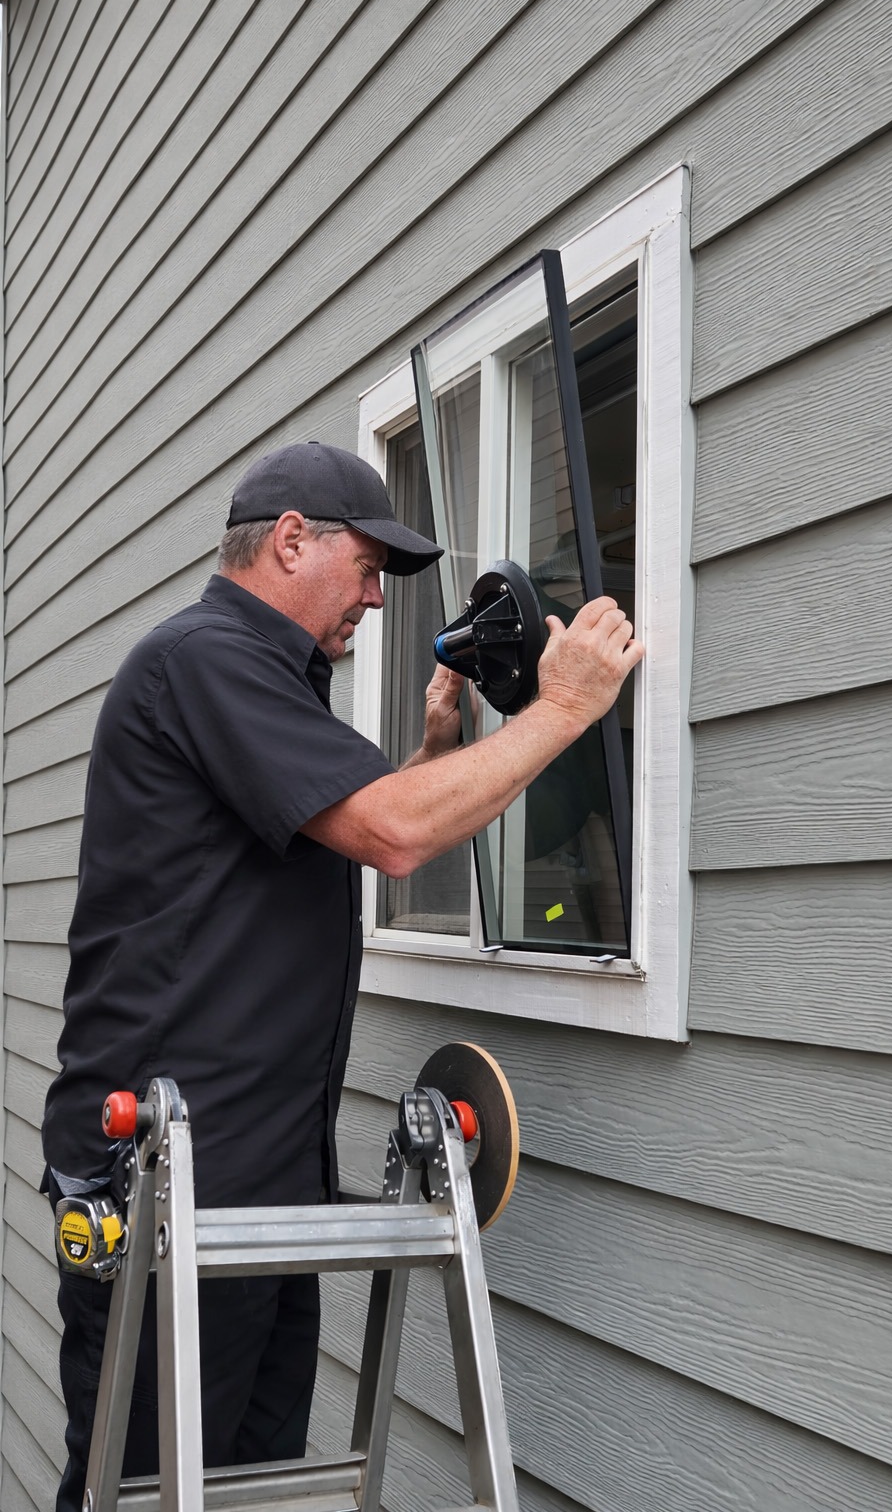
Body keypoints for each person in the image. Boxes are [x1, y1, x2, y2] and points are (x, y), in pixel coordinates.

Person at [41, 441, 643, 1510]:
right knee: (142, 1487)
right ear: (287, 541)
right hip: (173, 1182)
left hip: (260, 1176)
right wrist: (565, 708)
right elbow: (393, 840)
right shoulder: (203, 659)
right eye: (366, 567)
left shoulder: (265, 684)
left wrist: (427, 754)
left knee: (255, 1485)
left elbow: (334, 832)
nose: (375, 597)